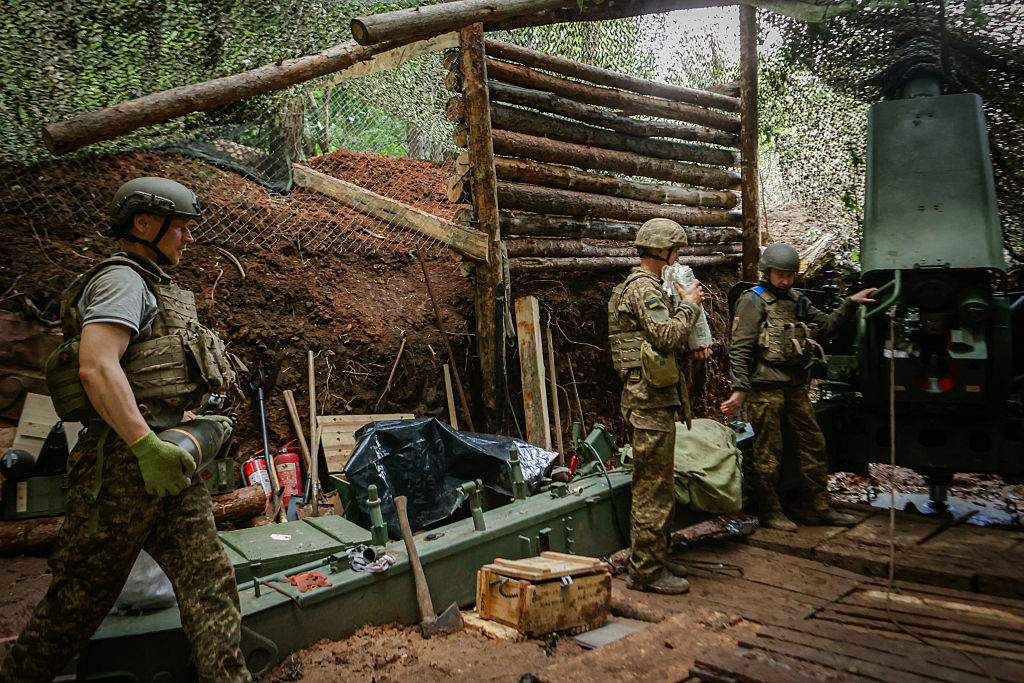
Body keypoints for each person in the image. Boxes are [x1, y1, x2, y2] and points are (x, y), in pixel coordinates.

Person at [0, 178, 251, 682]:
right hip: (119, 467)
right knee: (75, 605)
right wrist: (144, 445)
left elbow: (140, 374)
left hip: (164, 459)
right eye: (180, 227)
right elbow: (97, 366)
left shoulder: (154, 284)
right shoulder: (122, 281)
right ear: (144, 224)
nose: (189, 238)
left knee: (209, 582)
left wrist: (172, 421)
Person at [720, 242, 877, 532]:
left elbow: (827, 327)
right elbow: (740, 348)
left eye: (790, 275)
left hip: (794, 386)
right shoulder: (751, 301)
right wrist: (740, 388)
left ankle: (817, 506)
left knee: (814, 444)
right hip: (765, 389)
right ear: (766, 272)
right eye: (780, 274)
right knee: (769, 453)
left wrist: (850, 303)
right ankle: (769, 510)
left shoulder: (797, 300)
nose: (785, 280)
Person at [608, 218, 708, 595]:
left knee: (660, 484)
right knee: (652, 488)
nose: (678, 258)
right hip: (647, 400)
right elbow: (665, 336)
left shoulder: (649, 288)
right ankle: (647, 571)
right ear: (662, 252)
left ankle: (654, 557)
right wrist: (690, 307)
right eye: (676, 251)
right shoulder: (643, 289)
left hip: (655, 398)